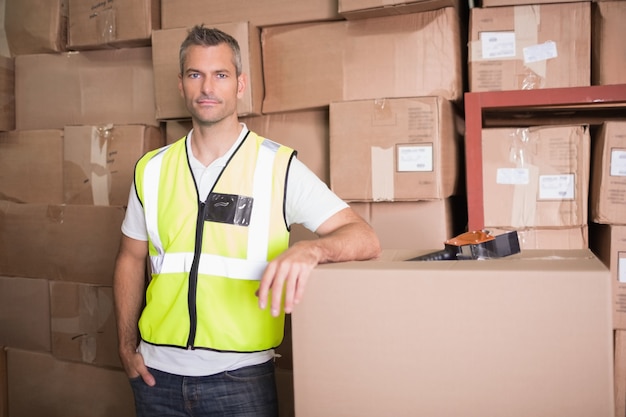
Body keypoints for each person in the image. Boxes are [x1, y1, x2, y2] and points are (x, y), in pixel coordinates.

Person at [113, 24, 381, 417]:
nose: (207, 87)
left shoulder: (277, 166)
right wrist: (124, 344)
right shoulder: (150, 170)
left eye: (220, 75)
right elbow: (130, 257)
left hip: (239, 381)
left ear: (239, 84)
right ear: (181, 84)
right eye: (195, 74)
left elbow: (365, 237)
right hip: (156, 377)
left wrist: (312, 249)